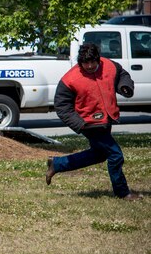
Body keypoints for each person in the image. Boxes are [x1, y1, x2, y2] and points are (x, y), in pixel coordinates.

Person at [45, 43, 141, 201]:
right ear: (80, 61)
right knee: (116, 155)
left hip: (106, 119)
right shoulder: (70, 79)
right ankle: (123, 192)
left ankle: (57, 164)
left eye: (92, 62)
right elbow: (62, 106)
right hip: (88, 123)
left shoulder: (109, 65)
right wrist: (80, 124)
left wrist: (124, 86)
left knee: (99, 154)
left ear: (98, 59)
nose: (89, 66)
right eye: (85, 63)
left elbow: (122, 74)